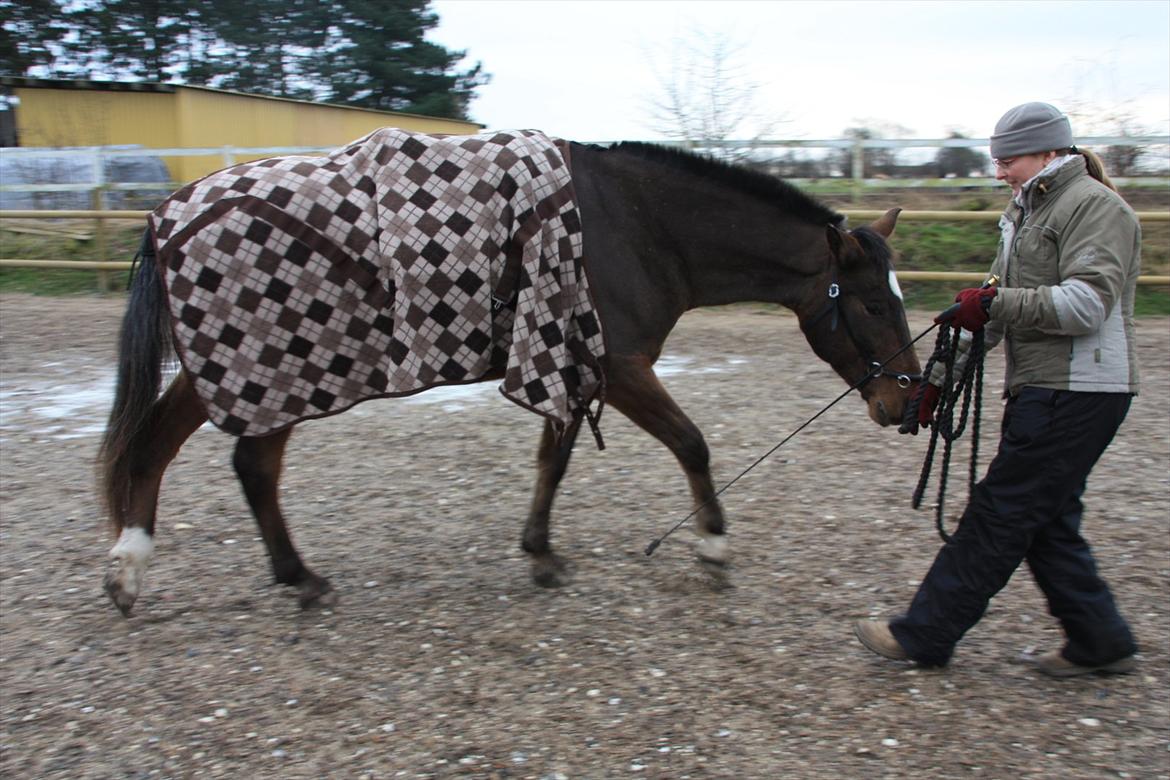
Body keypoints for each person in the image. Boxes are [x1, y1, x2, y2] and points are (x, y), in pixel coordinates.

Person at [854, 102, 1142, 677]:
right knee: (1046, 518)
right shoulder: (1027, 213)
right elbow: (989, 315)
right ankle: (1099, 639)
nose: (998, 172)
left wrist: (991, 303)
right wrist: (937, 385)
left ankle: (924, 634)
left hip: (1079, 387)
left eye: (1007, 160)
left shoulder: (1092, 208)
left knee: (1001, 511)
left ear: (1049, 152)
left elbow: (1085, 306)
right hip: (1050, 385)